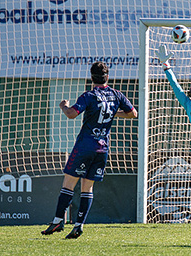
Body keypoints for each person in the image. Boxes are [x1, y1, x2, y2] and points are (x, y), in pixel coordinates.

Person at [42, 62, 137, 238]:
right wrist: (114, 112)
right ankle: (78, 225)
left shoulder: (90, 95)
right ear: (107, 77)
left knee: (69, 184)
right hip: (102, 149)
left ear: (91, 77)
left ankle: (57, 222)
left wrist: (63, 106)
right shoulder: (117, 95)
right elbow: (133, 113)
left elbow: (72, 114)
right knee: (88, 187)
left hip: (85, 146)